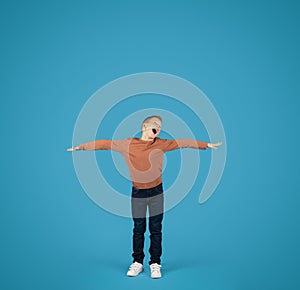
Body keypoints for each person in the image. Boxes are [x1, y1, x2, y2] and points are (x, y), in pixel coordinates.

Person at [67, 115, 222, 278]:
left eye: (160, 126)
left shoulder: (161, 144)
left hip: (157, 192)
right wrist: (81, 147)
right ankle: (137, 263)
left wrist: (206, 145)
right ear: (144, 127)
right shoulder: (128, 144)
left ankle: (155, 263)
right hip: (138, 193)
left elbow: (183, 142)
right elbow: (105, 144)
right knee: (138, 228)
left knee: (156, 229)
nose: (159, 128)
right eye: (155, 124)